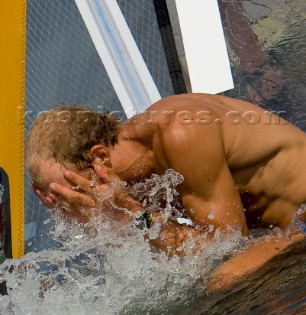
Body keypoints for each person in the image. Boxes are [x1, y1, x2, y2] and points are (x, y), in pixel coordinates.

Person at [26, 93, 306, 286]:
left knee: (227, 277)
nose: (75, 202)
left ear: (99, 157)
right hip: (283, 233)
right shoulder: (126, 178)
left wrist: (130, 216)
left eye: (73, 192)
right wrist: (92, 219)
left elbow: (228, 247)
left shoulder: (181, 133)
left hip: (298, 222)